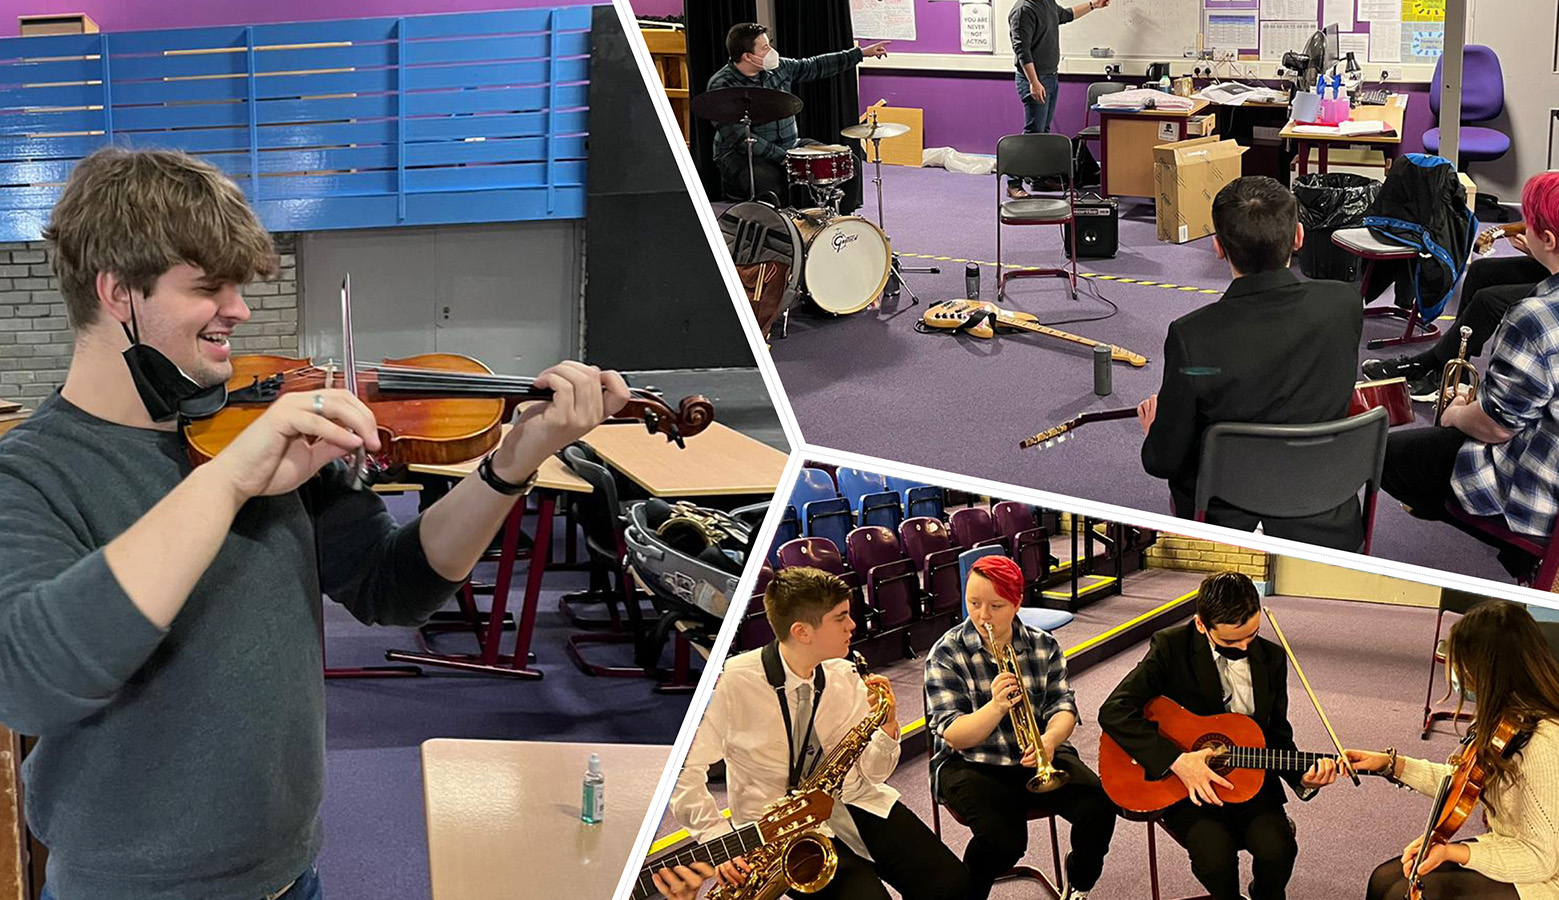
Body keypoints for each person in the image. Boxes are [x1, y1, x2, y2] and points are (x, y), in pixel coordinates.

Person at [0, 147, 630, 900]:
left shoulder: (247, 426)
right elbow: (30, 684)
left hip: (290, 874)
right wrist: (233, 483)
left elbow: (392, 586)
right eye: (208, 287)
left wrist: (511, 463)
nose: (237, 309)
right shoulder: (32, 472)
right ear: (117, 294)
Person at [666, 567, 969, 900]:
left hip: (854, 802)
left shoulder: (845, 672)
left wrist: (886, 726)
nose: (853, 625)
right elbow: (682, 771)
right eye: (840, 618)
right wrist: (716, 836)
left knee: (952, 884)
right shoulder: (732, 683)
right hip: (778, 831)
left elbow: (874, 772)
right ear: (802, 632)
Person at [1380, 172, 1559, 587]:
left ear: (1548, 241)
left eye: (1530, 221)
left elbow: (1496, 427)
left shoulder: (1537, 316)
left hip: (1554, 501)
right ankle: (1531, 563)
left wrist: (1456, 414)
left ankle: (1526, 556)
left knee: (1388, 454)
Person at [1138, 176, 1365, 550]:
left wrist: (1154, 429)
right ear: (1298, 237)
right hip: (1328, 510)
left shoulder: (1192, 336)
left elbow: (1164, 460)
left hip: (1231, 520)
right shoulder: (1344, 303)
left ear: (1218, 248)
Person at [1098, 572, 1341, 900]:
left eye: (1251, 635)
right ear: (1201, 625)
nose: (1243, 648)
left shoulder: (1271, 658)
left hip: (1251, 780)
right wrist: (1178, 760)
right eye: (1230, 642)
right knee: (1215, 861)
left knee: (1278, 852)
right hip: (1187, 786)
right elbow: (1113, 710)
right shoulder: (1171, 646)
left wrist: (1304, 777)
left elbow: (1277, 736)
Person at [1347, 599, 1559, 900]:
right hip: (1516, 844)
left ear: (1490, 670)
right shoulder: (1509, 715)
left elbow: (1542, 858)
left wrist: (1454, 851)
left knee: (1412, 892)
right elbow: (1466, 780)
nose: (1458, 674)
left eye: (1463, 665)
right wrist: (1392, 765)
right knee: (1384, 879)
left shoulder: (1552, 742)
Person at [1363, 84, 1559, 401]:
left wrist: (1547, 255)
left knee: (1490, 301)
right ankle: (1450, 369)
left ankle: (1428, 367)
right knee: (1482, 273)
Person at [923, 555, 1116, 900]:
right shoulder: (947, 653)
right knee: (1004, 842)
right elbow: (953, 733)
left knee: (1099, 806)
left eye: (996, 606)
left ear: (1017, 603)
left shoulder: (1043, 644)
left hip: (1038, 752)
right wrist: (996, 707)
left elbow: (1062, 705)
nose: (983, 616)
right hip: (969, 762)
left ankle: (1080, 883)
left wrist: (1050, 739)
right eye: (973, 603)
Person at [707, 23, 888, 209]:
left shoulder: (778, 68)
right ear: (748, 56)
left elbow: (814, 65)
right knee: (767, 179)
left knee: (847, 162)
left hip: (788, 145)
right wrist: (785, 157)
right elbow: (739, 137)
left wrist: (860, 53)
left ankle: (840, 224)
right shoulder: (722, 85)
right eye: (764, 48)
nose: (771, 51)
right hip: (742, 154)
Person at [1006, 0, 1114, 199]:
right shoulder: (1023, 10)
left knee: (1043, 133)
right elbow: (1022, 50)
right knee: (1033, 133)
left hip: (1050, 77)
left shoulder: (1046, 2)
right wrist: (1034, 82)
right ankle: (1013, 183)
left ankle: (1038, 178)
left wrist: (1093, 5)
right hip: (1035, 79)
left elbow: (1065, 15)